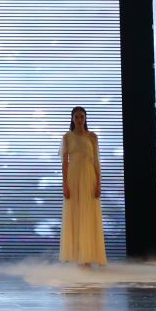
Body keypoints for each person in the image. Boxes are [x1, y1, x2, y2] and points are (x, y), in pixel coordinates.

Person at [59, 106, 107, 265]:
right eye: (77, 117)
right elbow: (65, 163)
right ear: (72, 119)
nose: (79, 119)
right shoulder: (67, 137)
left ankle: (89, 256)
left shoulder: (92, 137)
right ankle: (77, 256)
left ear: (85, 118)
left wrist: (98, 183)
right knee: (75, 214)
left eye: (82, 116)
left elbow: (96, 161)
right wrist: (65, 184)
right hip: (73, 178)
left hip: (89, 178)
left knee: (88, 215)